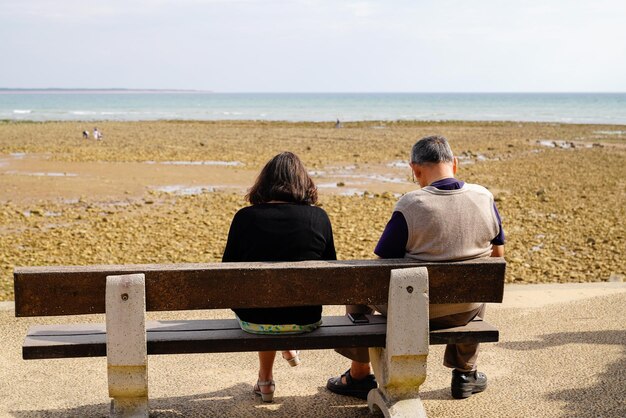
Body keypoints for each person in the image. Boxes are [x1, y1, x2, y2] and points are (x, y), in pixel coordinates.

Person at [326, 135, 505, 400]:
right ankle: (466, 372)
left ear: (415, 169)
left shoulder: (412, 205)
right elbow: (498, 255)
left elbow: (381, 268)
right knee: (477, 277)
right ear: (454, 163)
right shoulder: (484, 198)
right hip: (464, 311)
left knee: (360, 283)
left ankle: (359, 373)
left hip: (412, 311)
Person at [222, 151, 337, 403]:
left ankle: (265, 380)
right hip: (304, 318)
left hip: (254, 320)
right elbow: (330, 273)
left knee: (265, 303)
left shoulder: (245, 218)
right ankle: (285, 349)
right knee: (277, 305)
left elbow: (227, 275)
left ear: (264, 183)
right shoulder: (318, 217)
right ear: (303, 182)